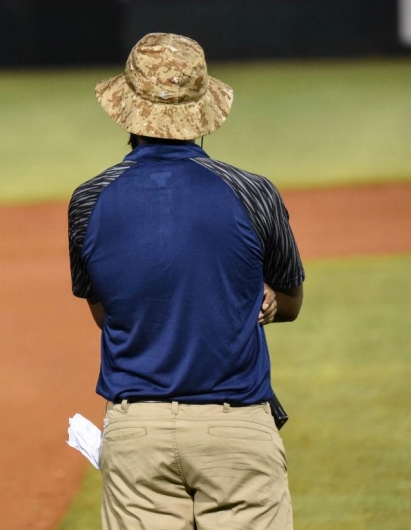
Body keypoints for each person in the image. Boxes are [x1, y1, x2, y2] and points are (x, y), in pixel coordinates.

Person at [67, 33, 304, 530]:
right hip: (235, 427)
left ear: (127, 108)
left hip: (137, 433)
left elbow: (103, 313)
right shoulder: (253, 192)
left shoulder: (89, 201)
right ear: (202, 110)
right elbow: (290, 300)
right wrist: (260, 302)